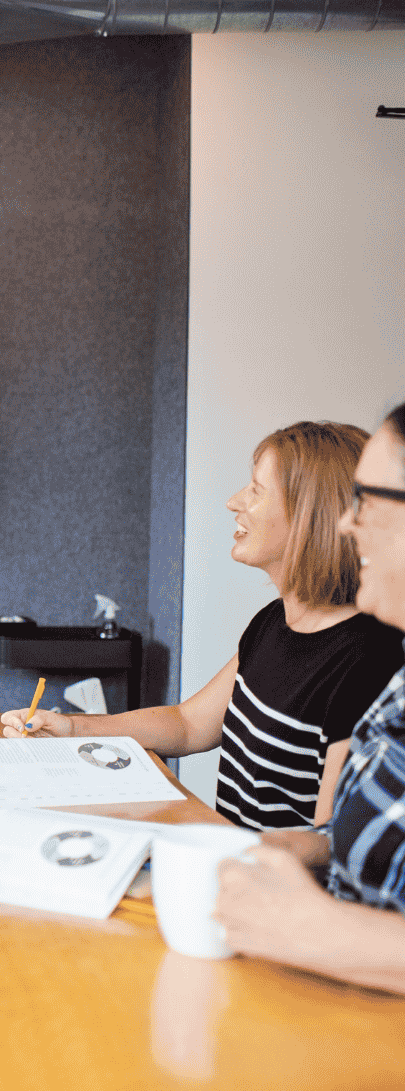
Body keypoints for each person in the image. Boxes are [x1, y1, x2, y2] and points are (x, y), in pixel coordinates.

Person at [3, 421, 403, 831]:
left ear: (310, 517)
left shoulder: (369, 661)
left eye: (256, 490)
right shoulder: (273, 622)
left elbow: (329, 843)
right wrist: (73, 729)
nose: (234, 501)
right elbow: (188, 724)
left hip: (258, 870)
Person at [216, 402, 405, 994]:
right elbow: (345, 842)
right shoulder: (398, 689)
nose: (347, 524)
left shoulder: (370, 658)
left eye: (370, 500)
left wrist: (317, 931)